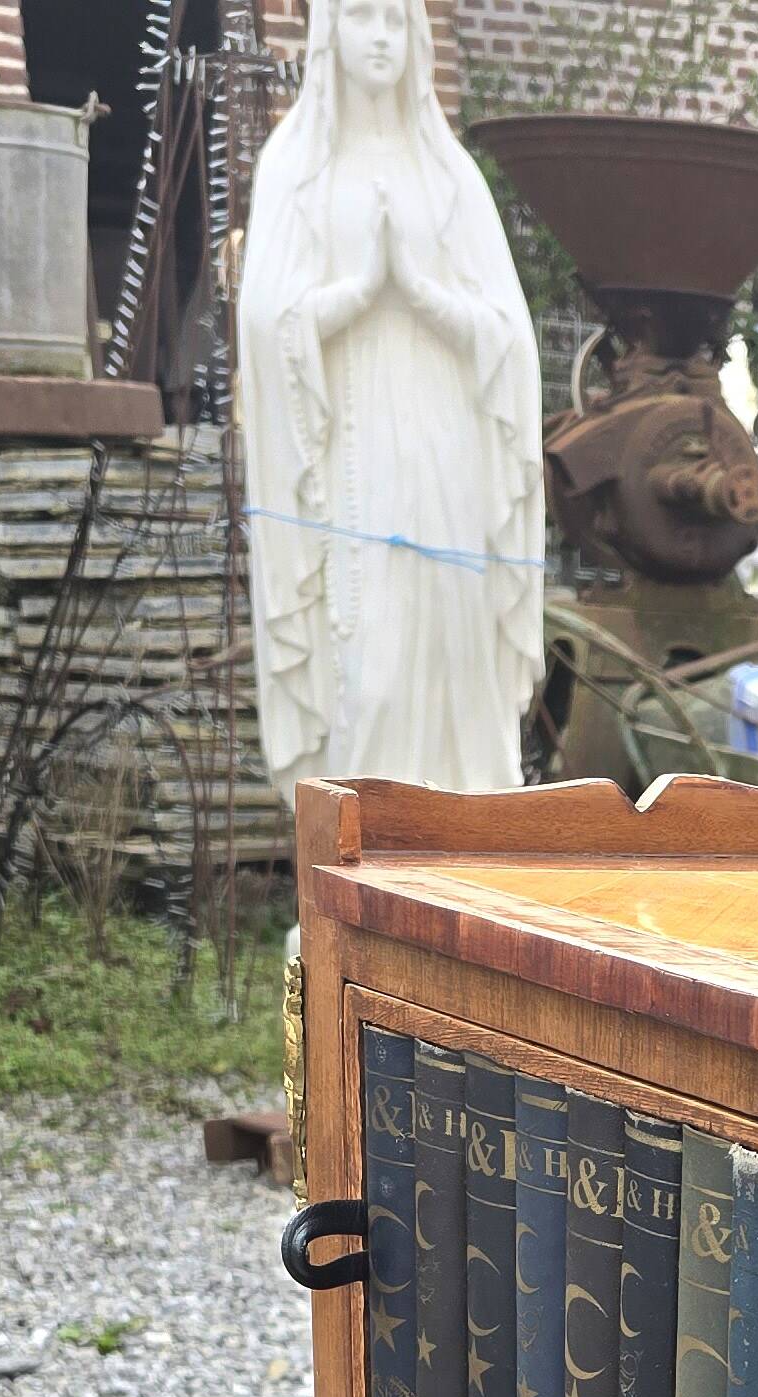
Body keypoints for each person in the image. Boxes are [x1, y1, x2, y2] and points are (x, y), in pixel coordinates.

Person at [236, 0, 545, 804]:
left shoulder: (448, 176)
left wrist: (422, 296)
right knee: (368, 672)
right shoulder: (297, 167)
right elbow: (267, 320)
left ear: (417, 38)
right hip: (350, 452)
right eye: (361, 18)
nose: (379, 38)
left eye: (395, 21)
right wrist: (357, 293)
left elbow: (510, 338)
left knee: (456, 656)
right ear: (327, 33)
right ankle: (356, 878)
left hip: (449, 451)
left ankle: (466, 872)